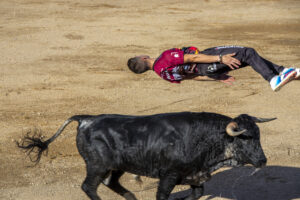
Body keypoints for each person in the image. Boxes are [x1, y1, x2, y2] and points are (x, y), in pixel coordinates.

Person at [127, 46, 299, 91]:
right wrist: (220, 58)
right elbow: (192, 57)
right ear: (143, 58)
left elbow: (191, 77)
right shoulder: (164, 58)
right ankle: (273, 79)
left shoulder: (162, 75)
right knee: (247, 52)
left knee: (248, 59)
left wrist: (217, 77)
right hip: (207, 61)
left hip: (206, 70)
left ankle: (284, 71)